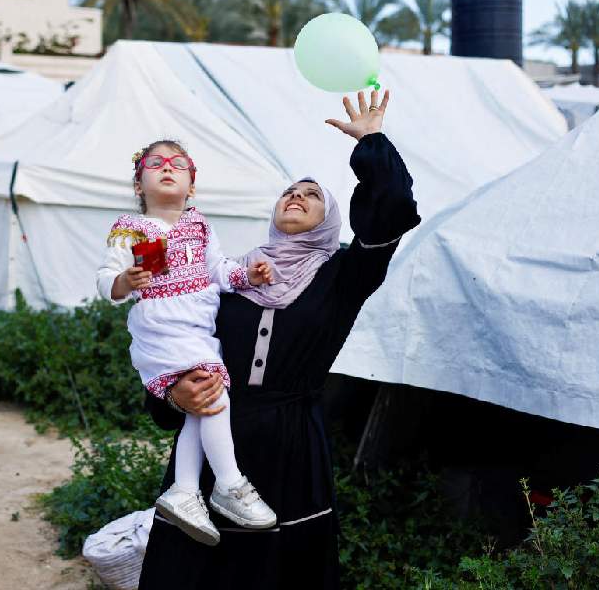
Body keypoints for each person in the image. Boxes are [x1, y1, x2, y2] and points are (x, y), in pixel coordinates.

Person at [138, 89, 421, 589]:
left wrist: (372, 143)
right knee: (192, 567)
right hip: (214, 432)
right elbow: (171, 334)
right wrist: (171, 393)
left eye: (313, 196)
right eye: (291, 191)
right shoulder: (229, 274)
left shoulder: (342, 276)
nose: (298, 196)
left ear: (329, 219)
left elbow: (392, 210)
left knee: (277, 568)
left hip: (292, 447)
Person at [96, 140, 278, 547]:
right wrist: (125, 281)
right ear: (139, 184)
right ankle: (229, 483)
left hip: (196, 328)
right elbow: (107, 276)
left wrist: (250, 274)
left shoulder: (199, 225)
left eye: (178, 164)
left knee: (200, 406)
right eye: (155, 163)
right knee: (216, 394)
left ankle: (184, 490)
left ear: (191, 185)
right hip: (162, 326)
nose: (167, 168)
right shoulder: (133, 227)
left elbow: (219, 270)